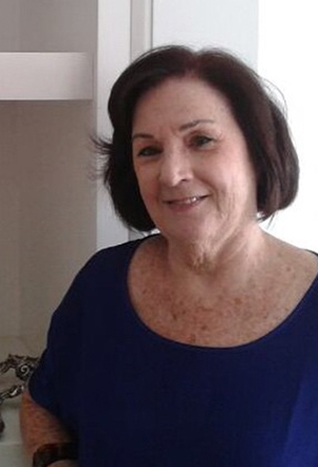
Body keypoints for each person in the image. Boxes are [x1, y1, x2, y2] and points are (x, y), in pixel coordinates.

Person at [19, 45, 318, 466]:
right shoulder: (101, 284)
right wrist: (56, 460)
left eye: (201, 141)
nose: (172, 174)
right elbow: (41, 401)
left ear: (258, 151)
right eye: (149, 150)